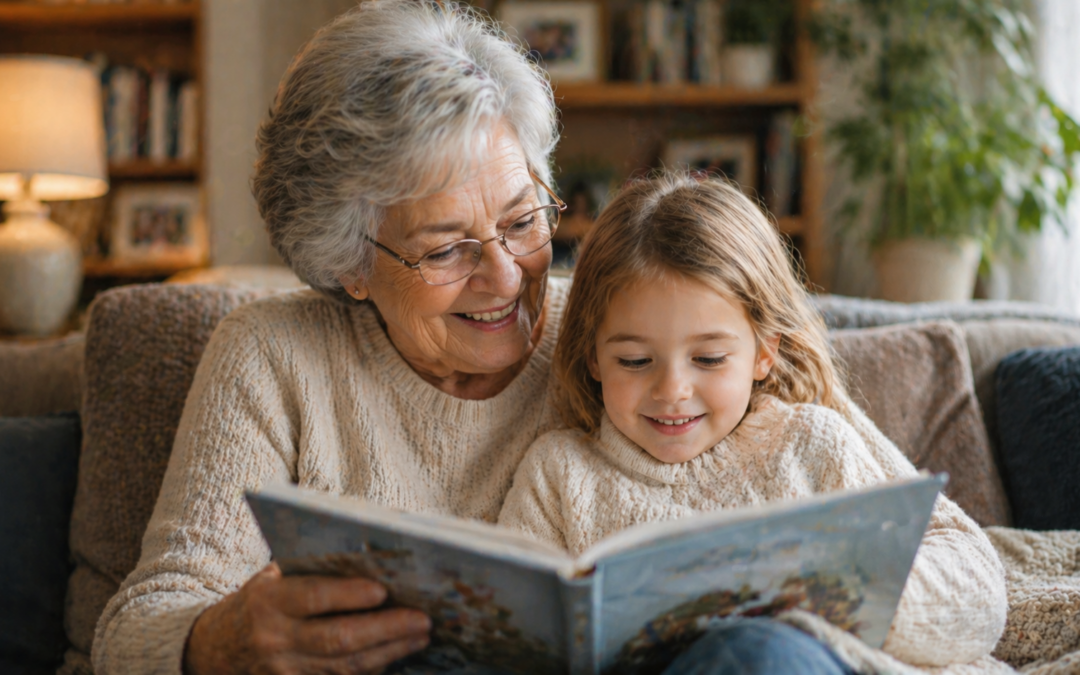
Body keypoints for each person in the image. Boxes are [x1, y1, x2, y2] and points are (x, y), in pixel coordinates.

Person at [498, 174, 1009, 671]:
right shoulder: (558, 474)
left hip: (795, 662)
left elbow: (977, 595)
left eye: (710, 359)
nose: (672, 390)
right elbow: (506, 633)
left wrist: (831, 598)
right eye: (634, 361)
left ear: (764, 353)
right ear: (593, 358)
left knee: (755, 652)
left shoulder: (811, 445)